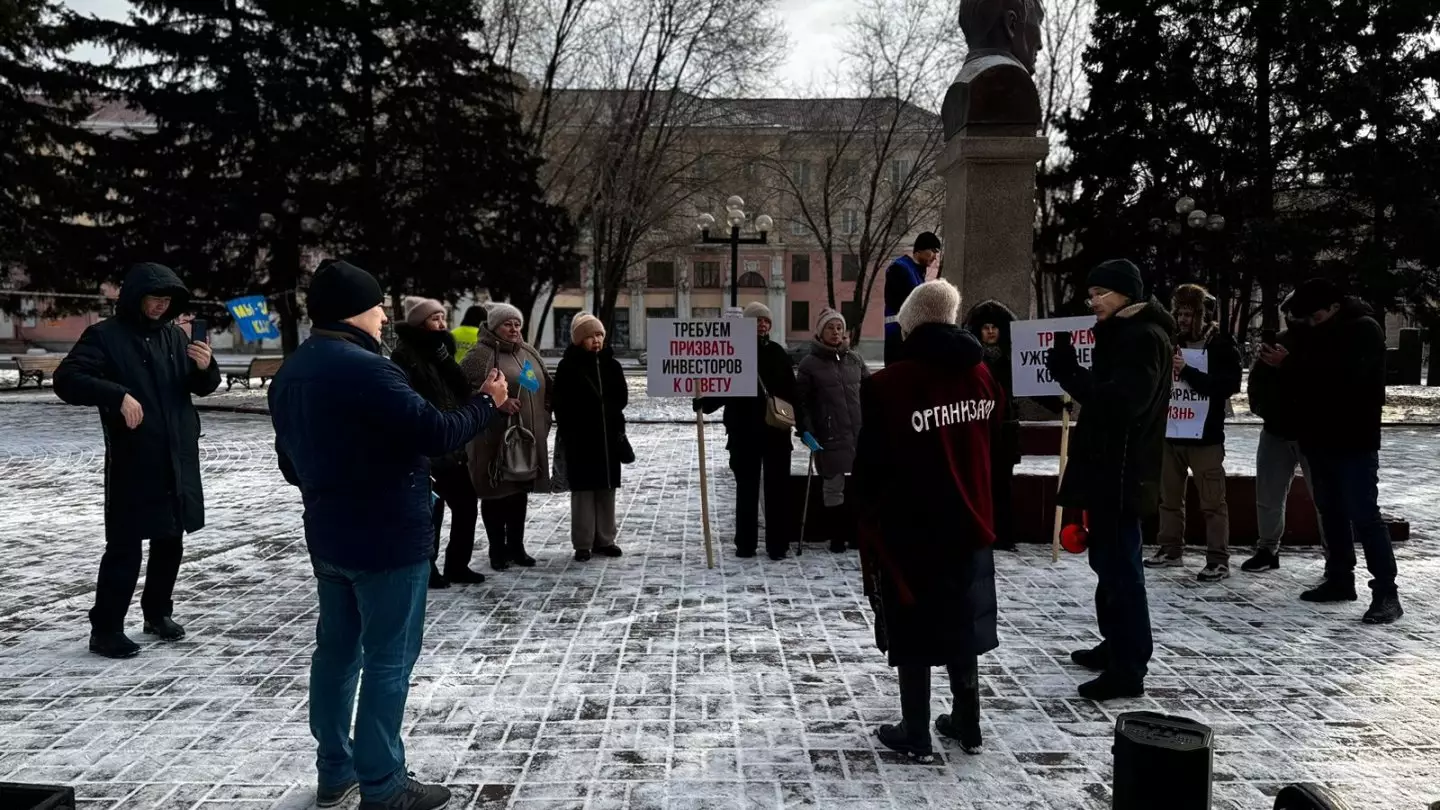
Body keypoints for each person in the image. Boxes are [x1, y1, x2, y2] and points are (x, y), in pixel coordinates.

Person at [269, 259, 508, 810]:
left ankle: (336, 769)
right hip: (387, 538)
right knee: (387, 660)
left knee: (335, 654)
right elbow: (436, 432)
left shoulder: (294, 370)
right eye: (377, 306)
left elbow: (290, 464)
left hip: (329, 535)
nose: (383, 317)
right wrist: (487, 402)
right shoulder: (368, 369)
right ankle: (383, 784)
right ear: (355, 309)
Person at [855, 279, 1003, 762]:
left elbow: (871, 464)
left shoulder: (889, 385)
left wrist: (865, 517)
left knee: (912, 625)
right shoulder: (982, 375)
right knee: (963, 620)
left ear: (913, 323)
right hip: (974, 521)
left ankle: (915, 730)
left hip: (913, 529)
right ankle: (968, 722)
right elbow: (996, 441)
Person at [52, 262, 221, 660]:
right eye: (153, 298)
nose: (160, 306)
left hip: (177, 453)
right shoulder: (105, 336)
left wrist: (204, 365)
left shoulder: (176, 339)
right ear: (135, 298)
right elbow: (67, 379)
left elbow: (203, 387)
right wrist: (116, 395)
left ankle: (157, 613)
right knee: (125, 545)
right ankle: (106, 628)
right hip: (134, 456)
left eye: (167, 300)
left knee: (170, 539)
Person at [1044, 259, 1173, 701]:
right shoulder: (1123, 334)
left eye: (1101, 293)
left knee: (1122, 571)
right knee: (1108, 565)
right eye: (1091, 293)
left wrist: (1069, 373)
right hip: (1110, 470)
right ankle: (1115, 644)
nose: (1093, 301)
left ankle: (1129, 665)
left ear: (1126, 295)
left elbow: (1120, 404)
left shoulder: (1142, 338)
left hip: (1123, 474)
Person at [1274, 278, 1401, 624]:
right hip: (1318, 438)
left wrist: (1293, 364)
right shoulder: (1315, 333)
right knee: (1330, 511)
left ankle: (1386, 592)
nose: (1311, 323)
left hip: (1354, 439)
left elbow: (1346, 379)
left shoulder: (1363, 329)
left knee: (1364, 515)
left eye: (1315, 316)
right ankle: (1339, 578)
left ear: (1333, 307)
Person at [1147, 284, 1242, 580]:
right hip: (1172, 433)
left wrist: (1187, 372)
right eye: (1179, 313)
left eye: (1189, 314)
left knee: (1213, 502)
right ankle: (1170, 548)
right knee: (1169, 499)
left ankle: (1218, 559)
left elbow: (1228, 386)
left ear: (1202, 315)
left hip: (1206, 437)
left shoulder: (1221, 344)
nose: (1183, 319)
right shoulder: (1169, 341)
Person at [390, 297, 485, 589]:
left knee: (467, 505)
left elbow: (461, 389)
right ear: (420, 323)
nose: (442, 324)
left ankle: (458, 565)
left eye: (444, 318)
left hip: (452, 443)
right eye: (435, 319)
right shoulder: (405, 356)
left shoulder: (442, 352)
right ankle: (428, 569)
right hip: (427, 445)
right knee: (432, 510)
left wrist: (446, 360)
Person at [696, 303, 798, 560]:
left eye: (766, 321)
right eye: (757, 321)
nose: (762, 325)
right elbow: (724, 389)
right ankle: (745, 544)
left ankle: (777, 545)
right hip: (743, 433)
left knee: (777, 491)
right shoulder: (734, 354)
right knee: (746, 491)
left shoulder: (778, 353)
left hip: (776, 432)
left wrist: (803, 424)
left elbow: (792, 392)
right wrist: (705, 403)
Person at [459, 302, 553, 571]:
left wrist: (544, 414)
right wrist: (497, 404)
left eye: (517, 324)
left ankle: (517, 547)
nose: (513, 329)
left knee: (519, 491)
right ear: (493, 326)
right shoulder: (480, 355)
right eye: (507, 324)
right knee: (496, 492)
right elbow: (462, 391)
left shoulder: (527, 352)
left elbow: (542, 383)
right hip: (493, 438)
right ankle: (497, 551)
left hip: (527, 437)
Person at [1243, 302, 1324, 572]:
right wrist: (1265, 409)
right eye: (1288, 312)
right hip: (1275, 429)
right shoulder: (1277, 342)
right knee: (1268, 495)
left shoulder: (1324, 343)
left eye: (1296, 312)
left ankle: (1335, 558)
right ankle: (1267, 548)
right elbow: (1256, 382)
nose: (1291, 317)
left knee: (1325, 498)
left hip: (1312, 432)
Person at [553, 312, 629, 562]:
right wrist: (572, 429)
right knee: (584, 492)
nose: (596, 340)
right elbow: (561, 404)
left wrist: (611, 413)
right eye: (589, 336)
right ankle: (583, 542)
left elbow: (622, 398)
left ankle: (605, 539)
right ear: (578, 340)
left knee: (606, 489)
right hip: (581, 439)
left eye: (599, 335)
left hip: (608, 438)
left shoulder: (612, 364)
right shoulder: (568, 366)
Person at [794, 308, 870, 553]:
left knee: (860, 486)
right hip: (829, 434)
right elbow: (802, 403)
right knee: (833, 487)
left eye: (839, 327)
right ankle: (837, 537)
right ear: (820, 332)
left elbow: (871, 393)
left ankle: (857, 536)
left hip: (858, 434)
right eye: (830, 327)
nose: (836, 332)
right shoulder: (809, 364)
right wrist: (806, 429)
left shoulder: (855, 360)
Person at [963, 300, 1022, 551]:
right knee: (977, 482)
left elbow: (1030, 386)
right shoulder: (969, 360)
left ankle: (1004, 534)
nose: (990, 332)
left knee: (1002, 485)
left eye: (994, 327)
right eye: (985, 327)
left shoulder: (1013, 359)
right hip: (978, 428)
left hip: (1005, 428)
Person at [883, 232, 942, 365]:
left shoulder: (916, 271)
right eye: (933, 251)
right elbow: (908, 303)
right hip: (899, 335)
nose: (934, 258)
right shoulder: (900, 268)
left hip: (910, 334)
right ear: (920, 249)